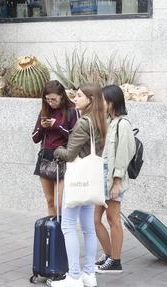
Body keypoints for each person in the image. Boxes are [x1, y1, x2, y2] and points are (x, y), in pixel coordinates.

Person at [52, 83, 107, 287]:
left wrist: (58, 150)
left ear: (90, 100)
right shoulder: (100, 121)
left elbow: (69, 154)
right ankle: (89, 274)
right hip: (91, 181)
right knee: (88, 229)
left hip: (77, 180)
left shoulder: (84, 122)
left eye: (79, 96)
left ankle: (74, 276)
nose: (75, 98)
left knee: (68, 225)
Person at [93, 85, 136, 274]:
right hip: (101, 177)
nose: (100, 103)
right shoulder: (109, 122)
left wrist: (117, 182)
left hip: (113, 179)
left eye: (103, 100)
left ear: (112, 102)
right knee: (95, 219)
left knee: (113, 219)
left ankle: (116, 261)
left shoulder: (122, 125)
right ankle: (109, 254)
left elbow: (124, 155)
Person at [31, 80, 78, 217]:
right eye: (47, 99)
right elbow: (35, 138)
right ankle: (52, 235)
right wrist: (42, 126)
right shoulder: (45, 110)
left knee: (60, 204)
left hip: (62, 159)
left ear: (61, 96)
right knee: (50, 201)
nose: (50, 102)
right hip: (45, 157)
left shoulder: (71, 112)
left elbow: (75, 137)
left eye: (53, 99)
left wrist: (57, 125)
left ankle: (62, 234)